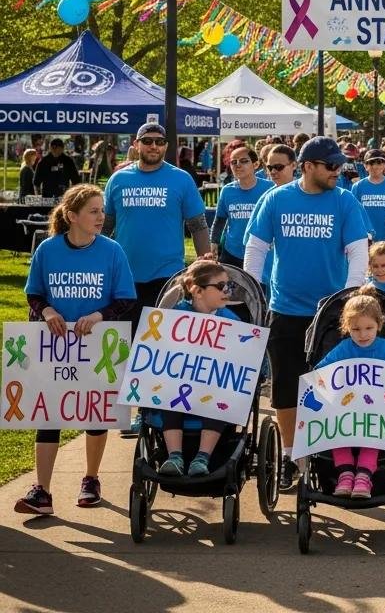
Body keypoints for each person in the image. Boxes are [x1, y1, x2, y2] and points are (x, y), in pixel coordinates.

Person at [244, 136, 370, 491]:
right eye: (330, 166)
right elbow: (256, 248)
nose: (337, 171)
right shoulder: (276, 199)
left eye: (339, 165)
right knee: (286, 388)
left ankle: (330, 456)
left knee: (333, 387)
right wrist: (253, 293)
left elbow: (358, 251)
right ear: (308, 166)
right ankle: (290, 455)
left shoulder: (344, 201)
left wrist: (347, 298)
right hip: (285, 309)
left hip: (331, 314)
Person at [16, 185, 135, 515]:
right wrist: (47, 311)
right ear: (72, 216)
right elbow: (34, 293)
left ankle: (91, 479)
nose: (101, 217)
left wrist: (98, 316)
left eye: (102, 210)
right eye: (93, 211)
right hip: (55, 345)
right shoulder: (48, 249)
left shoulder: (112, 251)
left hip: (96, 345)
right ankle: (42, 492)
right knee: (48, 415)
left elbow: (126, 299)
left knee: (94, 413)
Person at [103, 122, 210, 436]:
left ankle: (147, 412)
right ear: (136, 144)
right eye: (147, 141)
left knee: (156, 350)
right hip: (124, 278)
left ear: (166, 146)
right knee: (124, 347)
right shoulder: (118, 179)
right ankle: (125, 408)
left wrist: (204, 264)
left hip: (167, 278)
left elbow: (198, 225)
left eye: (159, 142)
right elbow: (105, 226)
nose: (153, 146)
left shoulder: (180, 179)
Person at [314, 285, 385, 499]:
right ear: (347, 327)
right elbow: (320, 371)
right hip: (345, 408)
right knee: (335, 428)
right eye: (355, 329)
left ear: (379, 325)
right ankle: (345, 474)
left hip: (378, 411)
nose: (362, 335)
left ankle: (364, 476)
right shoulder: (344, 349)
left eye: (368, 328)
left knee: (373, 431)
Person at [158, 259, 240, 477]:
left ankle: (202, 457)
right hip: (180, 384)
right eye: (221, 286)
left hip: (214, 387)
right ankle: (174, 456)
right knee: (170, 395)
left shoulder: (233, 321)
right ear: (197, 291)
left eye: (229, 285)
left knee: (220, 399)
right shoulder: (175, 315)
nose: (227, 291)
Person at [211, 146, 274, 268]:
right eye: (233, 162)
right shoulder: (227, 191)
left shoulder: (270, 188)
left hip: (261, 253)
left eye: (244, 161)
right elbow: (220, 220)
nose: (238, 165)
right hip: (232, 253)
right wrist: (214, 242)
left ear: (256, 164)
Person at [352, 147, 385, 243]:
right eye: (371, 163)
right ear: (365, 166)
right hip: (363, 240)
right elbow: (353, 216)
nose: (375, 166)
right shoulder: (357, 187)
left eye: (379, 162)